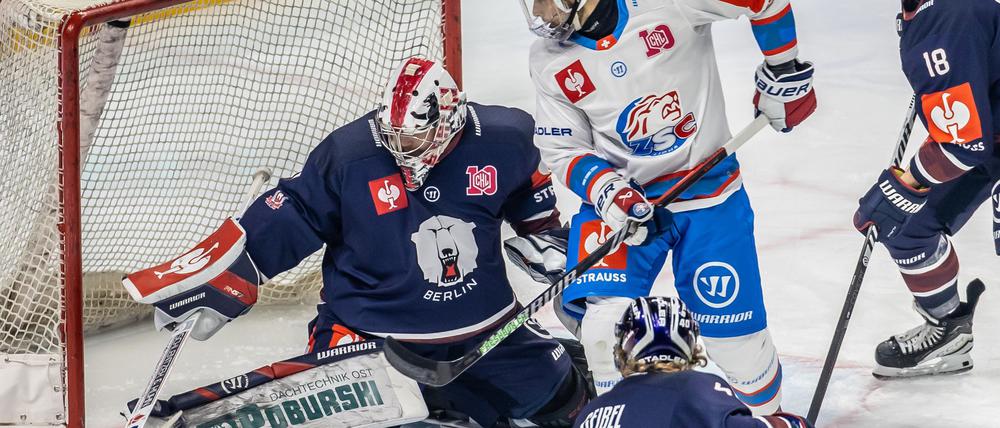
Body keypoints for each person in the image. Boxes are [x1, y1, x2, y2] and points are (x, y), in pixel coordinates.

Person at [122, 56, 591, 427]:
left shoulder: (506, 137)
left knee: (567, 404)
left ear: (449, 120)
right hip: (368, 334)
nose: (400, 147)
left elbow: (529, 193)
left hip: (488, 332)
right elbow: (297, 209)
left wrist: (546, 236)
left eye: (415, 137)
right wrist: (238, 273)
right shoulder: (351, 155)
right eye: (395, 135)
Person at [520, 0, 817, 413]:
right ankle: (618, 420)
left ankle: (767, 419)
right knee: (605, 330)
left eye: (543, 0)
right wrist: (608, 191)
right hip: (621, 202)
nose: (538, 11)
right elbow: (562, 148)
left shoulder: (669, 4)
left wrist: (783, 70)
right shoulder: (548, 59)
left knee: (736, 343)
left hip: (709, 193)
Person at [853, 0, 995, 379]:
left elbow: (962, 145)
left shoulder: (943, 20)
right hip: (991, 134)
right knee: (906, 224)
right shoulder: (933, 16)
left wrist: (906, 184)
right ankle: (949, 330)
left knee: (898, 204)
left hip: (985, 139)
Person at [573, 296, 812, 427]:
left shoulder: (592, 412)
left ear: (624, 345)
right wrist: (791, 423)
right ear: (688, 343)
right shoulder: (693, 388)